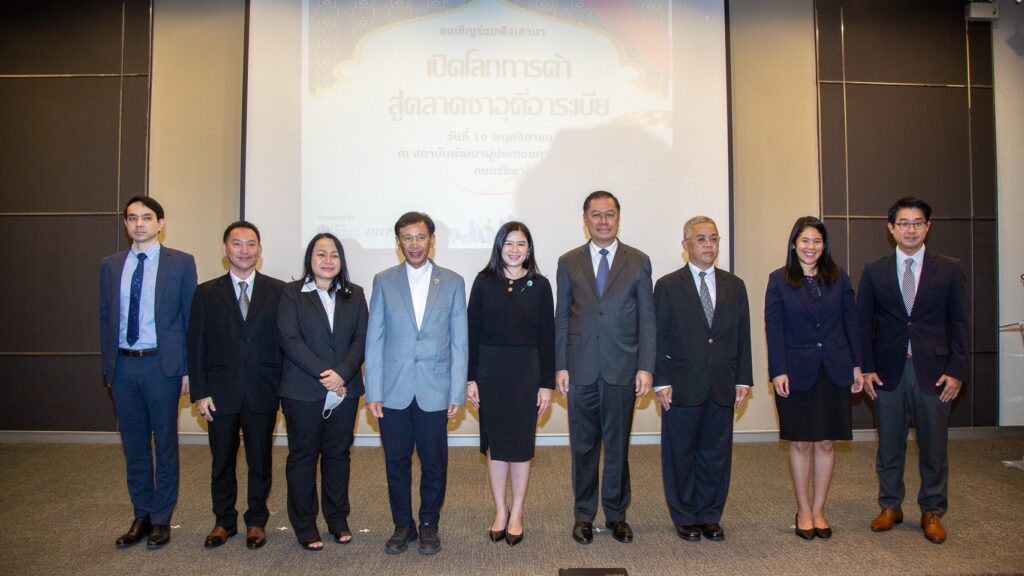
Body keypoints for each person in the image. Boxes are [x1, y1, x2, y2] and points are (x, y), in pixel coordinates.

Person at [858, 197, 968, 544]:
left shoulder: (949, 268)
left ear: (927, 227)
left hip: (935, 372)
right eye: (903, 223)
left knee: (934, 446)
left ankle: (932, 510)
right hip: (887, 373)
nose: (910, 229)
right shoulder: (874, 270)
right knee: (889, 444)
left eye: (917, 223)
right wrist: (866, 369)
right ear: (891, 228)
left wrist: (957, 370)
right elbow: (862, 324)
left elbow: (960, 323)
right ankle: (890, 505)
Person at [555, 191, 655, 545]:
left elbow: (647, 318)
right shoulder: (568, 262)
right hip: (580, 369)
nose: (602, 221)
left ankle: (616, 515)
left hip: (622, 368)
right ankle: (584, 515)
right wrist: (560, 366)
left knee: (617, 447)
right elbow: (562, 317)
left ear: (618, 218)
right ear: (585, 219)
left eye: (609, 214)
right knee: (583, 448)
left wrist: (646, 367)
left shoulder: (638, 261)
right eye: (595, 214)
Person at [364, 212, 468, 556]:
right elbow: (374, 340)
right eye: (407, 238)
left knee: (434, 464)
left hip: (435, 390)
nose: (414, 244)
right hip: (392, 390)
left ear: (432, 240)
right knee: (396, 463)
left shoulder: (452, 282)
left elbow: (459, 342)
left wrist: (456, 391)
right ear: (398, 243)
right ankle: (402, 525)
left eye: (420, 237)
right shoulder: (383, 281)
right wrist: (373, 391)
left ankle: (428, 524)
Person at [99, 196, 197, 549]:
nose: (139, 224)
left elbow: (190, 319)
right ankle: (140, 514)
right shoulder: (110, 266)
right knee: (134, 446)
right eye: (132, 218)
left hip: (162, 366)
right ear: (126, 223)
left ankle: (161, 518)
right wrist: (108, 366)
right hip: (123, 365)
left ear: (160, 223)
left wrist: (188, 370)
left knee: (165, 444)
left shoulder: (181, 263)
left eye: (146, 217)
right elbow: (106, 317)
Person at [187, 221, 285, 549]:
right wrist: (200, 392)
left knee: (260, 461)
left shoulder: (278, 291)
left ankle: (257, 520)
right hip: (219, 393)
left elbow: (286, 343)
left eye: (251, 244)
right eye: (237, 243)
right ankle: (224, 521)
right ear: (224, 248)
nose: (244, 250)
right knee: (222, 462)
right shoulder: (205, 292)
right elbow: (196, 344)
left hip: (263, 389)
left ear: (260, 249)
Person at [764, 216, 863, 540]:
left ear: (825, 245)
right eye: (805, 241)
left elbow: (852, 324)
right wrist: (778, 370)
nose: (811, 247)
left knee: (826, 442)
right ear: (794, 244)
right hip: (796, 372)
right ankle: (803, 509)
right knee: (802, 442)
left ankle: (819, 509)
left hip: (834, 369)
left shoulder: (839, 278)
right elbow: (774, 329)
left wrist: (857, 366)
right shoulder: (778, 280)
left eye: (817, 241)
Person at [654, 215, 752, 543]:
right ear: (686, 245)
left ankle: (710, 515)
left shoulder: (735, 285)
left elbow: (743, 336)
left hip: (722, 383)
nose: (709, 244)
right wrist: (661, 381)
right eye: (701, 239)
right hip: (681, 384)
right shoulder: (668, 285)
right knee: (680, 454)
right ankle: (684, 516)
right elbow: (659, 336)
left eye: (713, 238)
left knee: (716, 454)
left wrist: (743, 380)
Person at [466, 222, 555, 547]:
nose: (514, 250)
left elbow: (548, 337)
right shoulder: (483, 281)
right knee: (496, 445)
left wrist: (546, 384)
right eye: (509, 243)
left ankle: (517, 511)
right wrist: (470, 378)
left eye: (521, 244)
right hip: (490, 372)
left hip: (526, 373)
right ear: (499, 247)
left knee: (520, 446)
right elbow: (471, 331)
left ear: (529, 249)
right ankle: (500, 510)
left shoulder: (541, 285)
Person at [277, 233, 368, 551]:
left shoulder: (355, 294)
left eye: (334, 255)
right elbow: (289, 339)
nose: (328, 260)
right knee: (303, 457)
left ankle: (337, 519)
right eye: (321, 254)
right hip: (303, 390)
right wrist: (325, 374)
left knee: (338, 456)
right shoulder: (291, 294)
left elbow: (361, 339)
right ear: (310, 259)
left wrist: (342, 373)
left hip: (346, 389)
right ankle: (305, 525)